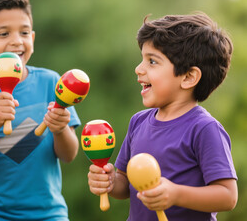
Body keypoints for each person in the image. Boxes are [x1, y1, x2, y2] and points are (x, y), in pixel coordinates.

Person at [87, 12, 238, 220]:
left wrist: (175, 194)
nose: (138, 69)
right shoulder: (138, 122)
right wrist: (110, 181)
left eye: (152, 62)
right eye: (143, 59)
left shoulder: (204, 129)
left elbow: (227, 196)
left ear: (188, 77)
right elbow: (125, 185)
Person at [0, 0, 81, 220]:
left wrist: (60, 130)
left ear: (32, 39)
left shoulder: (51, 82)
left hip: (49, 213)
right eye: (3, 34)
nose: (17, 41)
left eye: (24, 32)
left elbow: (69, 154)